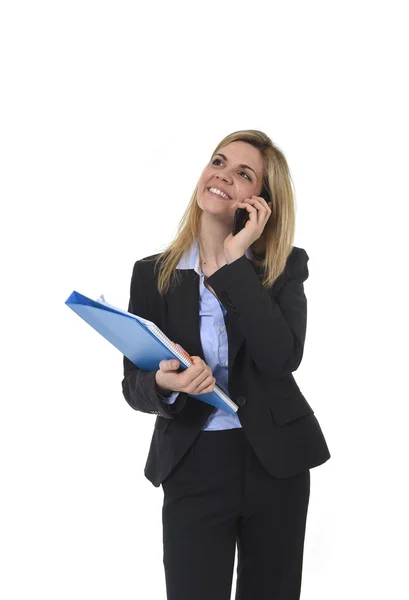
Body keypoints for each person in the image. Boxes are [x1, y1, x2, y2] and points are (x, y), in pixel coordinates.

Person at [121, 129, 331, 600]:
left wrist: (235, 264)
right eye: (219, 162)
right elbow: (132, 383)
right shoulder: (151, 274)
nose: (222, 176)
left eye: (243, 174)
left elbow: (281, 358)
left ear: (260, 202)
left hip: (275, 463)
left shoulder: (282, 267)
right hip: (193, 463)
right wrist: (165, 382)